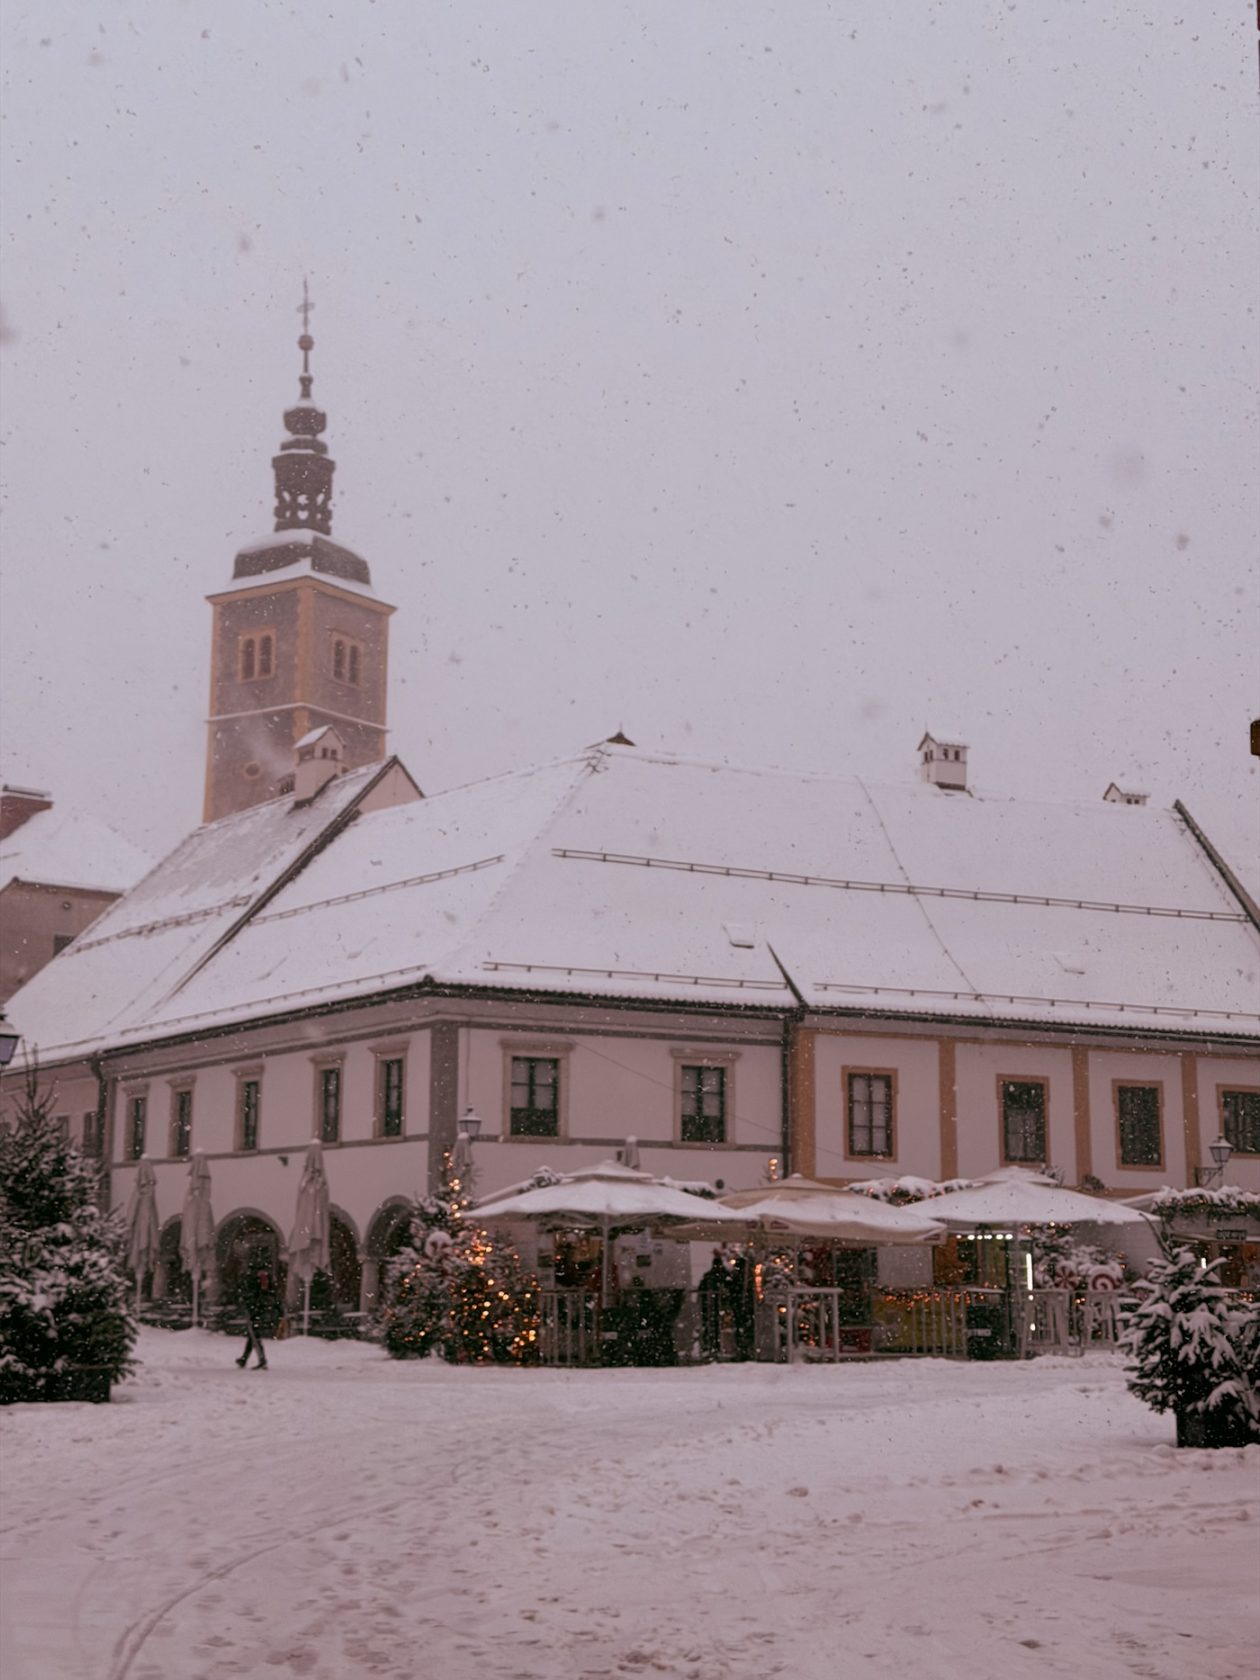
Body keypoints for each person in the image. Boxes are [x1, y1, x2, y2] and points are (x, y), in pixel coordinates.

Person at [235, 1250, 274, 1369]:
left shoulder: (260, 1277)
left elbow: (260, 1293)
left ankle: (261, 1359)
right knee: (253, 1334)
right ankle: (245, 1358)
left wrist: (250, 1302)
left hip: (256, 1308)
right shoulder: (262, 1277)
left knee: (254, 1334)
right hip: (257, 1307)